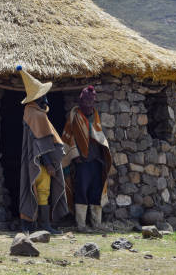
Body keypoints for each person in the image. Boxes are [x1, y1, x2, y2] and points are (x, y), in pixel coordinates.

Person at [17, 65, 68, 234]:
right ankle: (44, 225)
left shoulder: (29, 112)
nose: (46, 99)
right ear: (39, 97)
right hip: (39, 161)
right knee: (43, 190)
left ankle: (32, 225)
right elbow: (42, 142)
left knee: (33, 189)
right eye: (43, 95)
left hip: (31, 158)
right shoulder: (37, 115)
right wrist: (50, 164)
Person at [61, 86, 112, 231]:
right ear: (81, 101)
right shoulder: (74, 115)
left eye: (92, 102)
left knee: (96, 190)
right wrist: (74, 155)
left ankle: (96, 223)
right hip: (81, 161)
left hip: (96, 160)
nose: (89, 105)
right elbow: (68, 136)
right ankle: (81, 224)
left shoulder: (95, 116)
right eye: (87, 102)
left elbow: (98, 134)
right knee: (81, 190)